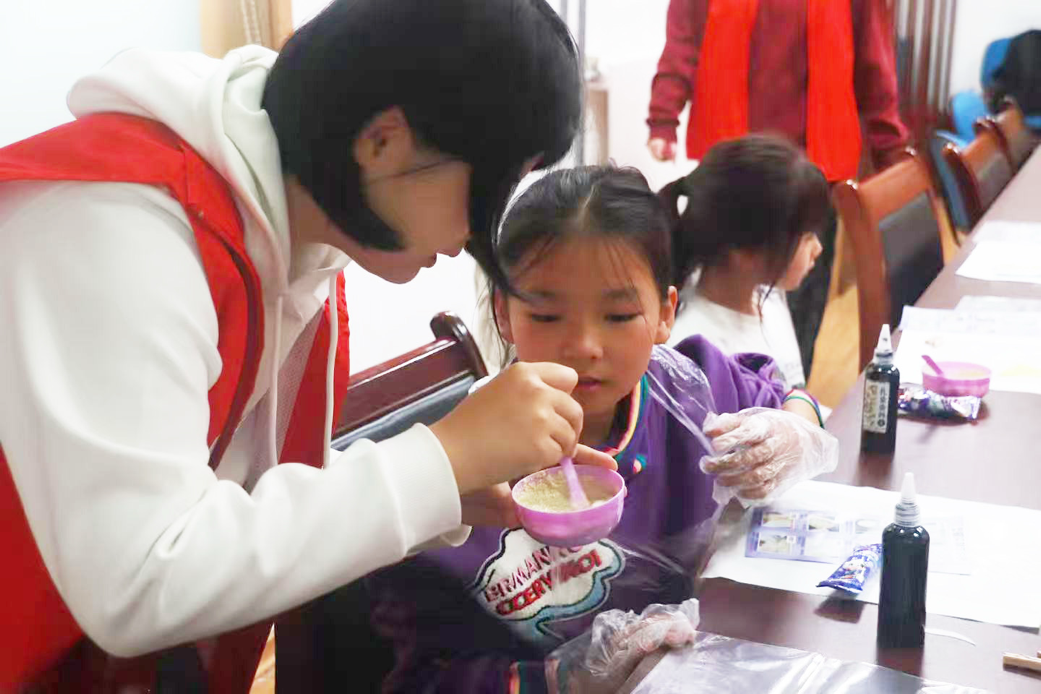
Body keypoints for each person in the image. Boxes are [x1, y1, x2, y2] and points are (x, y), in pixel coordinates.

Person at [0, 1, 618, 690]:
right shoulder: (117, 225)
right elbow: (141, 575)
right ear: (383, 141)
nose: (483, 229)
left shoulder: (295, 243)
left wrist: (449, 486)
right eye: (493, 184)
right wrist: (439, 460)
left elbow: (230, 497)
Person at [367, 166, 838, 692]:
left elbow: (793, 402)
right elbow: (425, 679)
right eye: (547, 316)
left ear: (665, 313)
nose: (585, 346)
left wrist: (792, 435)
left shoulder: (690, 393)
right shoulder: (462, 477)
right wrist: (561, 680)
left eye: (618, 316)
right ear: (503, 312)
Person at [646, 0, 909, 378]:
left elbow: (873, 60)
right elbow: (684, 38)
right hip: (738, 176)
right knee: (719, 298)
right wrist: (664, 115)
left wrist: (891, 149)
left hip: (809, 178)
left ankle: (788, 395)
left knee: (797, 313)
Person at [663, 134, 831, 392]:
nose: (818, 248)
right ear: (745, 252)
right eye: (806, 237)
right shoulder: (696, 354)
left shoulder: (769, 297)